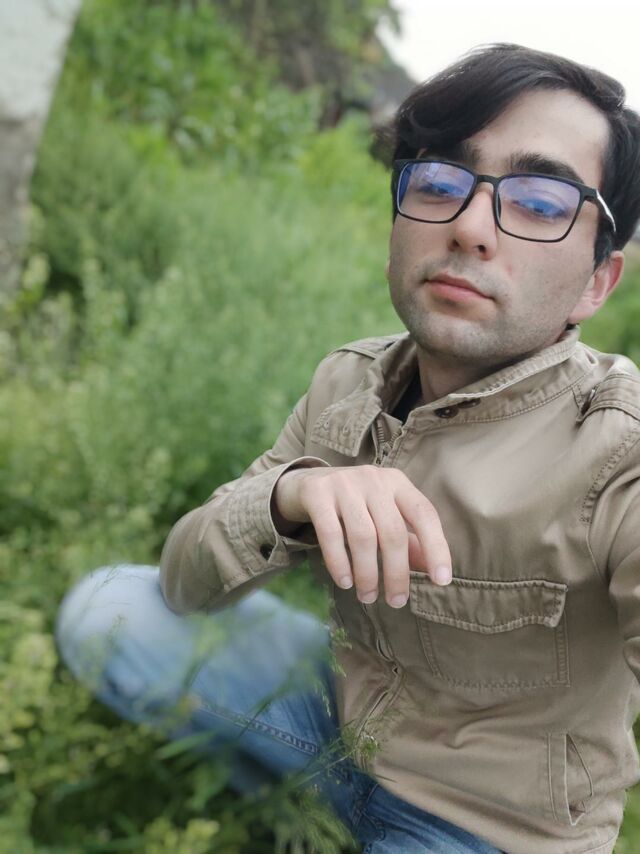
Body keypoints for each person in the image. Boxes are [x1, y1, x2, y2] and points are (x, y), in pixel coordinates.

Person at [56, 43, 640, 853]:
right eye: (439, 182)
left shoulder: (615, 451)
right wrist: (292, 494)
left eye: (540, 202)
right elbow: (184, 583)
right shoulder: (350, 382)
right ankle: (300, 815)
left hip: (490, 827)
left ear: (596, 283)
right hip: (335, 719)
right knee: (109, 610)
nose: (470, 227)